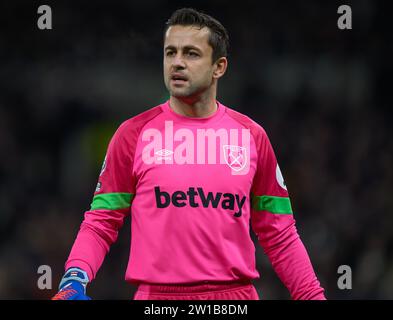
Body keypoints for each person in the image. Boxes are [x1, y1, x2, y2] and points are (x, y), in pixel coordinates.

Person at [52, 7, 326, 300]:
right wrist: (74, 279)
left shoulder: (251, 137)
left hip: (233, 300)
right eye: (170, 53)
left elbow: (280, 234)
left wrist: (312, 296)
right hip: (157, 300)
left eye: (191, 54)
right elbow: (102, 221)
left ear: (218, 67)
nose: (177, 63)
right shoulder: (132, 135)